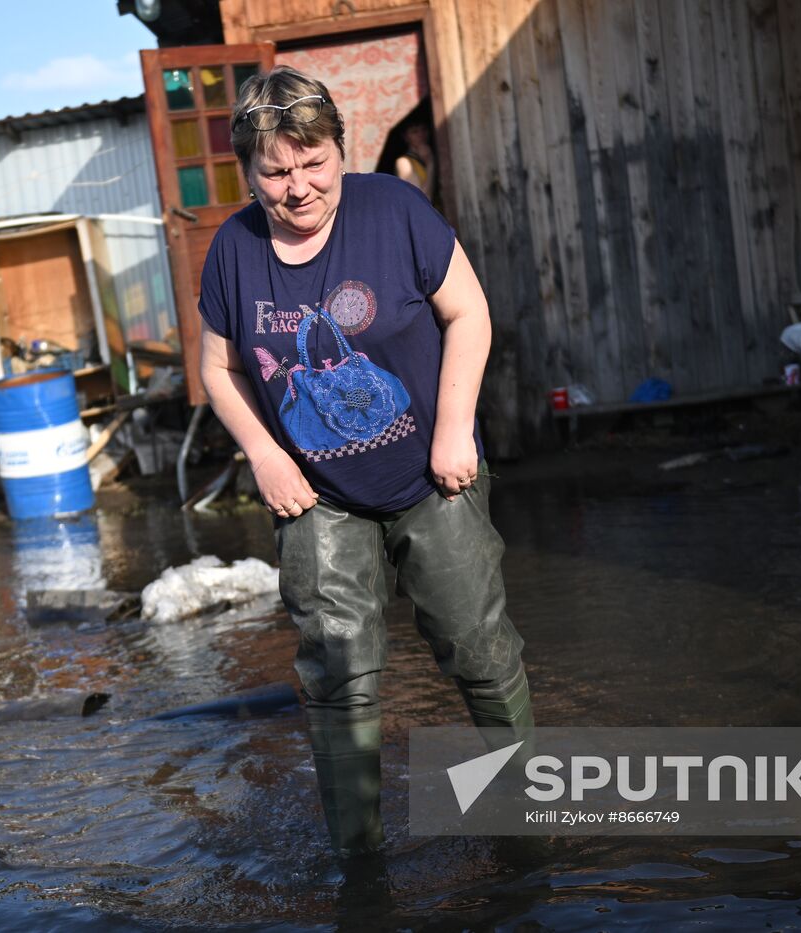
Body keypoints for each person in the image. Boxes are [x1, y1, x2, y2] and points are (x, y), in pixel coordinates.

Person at [197, 66, 534, 858]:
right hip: (318, 494)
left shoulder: (395, 210)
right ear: (249, 172)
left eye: (314, 163)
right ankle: (362, 863)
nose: (298, 187)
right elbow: (219, 368)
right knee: (337, 670)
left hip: (431, 473)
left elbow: (469, 312)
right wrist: (264, 454)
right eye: (275, 172)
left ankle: (525, 823)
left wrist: (455, 427)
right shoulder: (234, 250)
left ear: (339, 149)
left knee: (477, 644)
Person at [393, 121, 434, 201]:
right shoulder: (404, 162)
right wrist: (430, 163)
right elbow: (421, 199)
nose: (421, 135)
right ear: (406, 137)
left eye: (424, 129)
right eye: (414, 132)